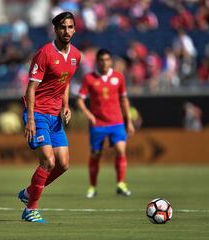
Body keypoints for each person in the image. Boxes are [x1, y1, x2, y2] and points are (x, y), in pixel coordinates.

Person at [17, 12, 81, 223]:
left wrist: (65, 105)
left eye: (70, 27)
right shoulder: (44, 53)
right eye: (63, 27)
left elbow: (65, 81)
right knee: (48, 162)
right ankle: (30, 210)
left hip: (55, 115)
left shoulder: (76, 55)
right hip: (38, 113)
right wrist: (31, 119)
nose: (67, 31)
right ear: (55, 29)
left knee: (63, 164)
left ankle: (29, 193)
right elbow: (31, 89)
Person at [77, 49, 135, 199]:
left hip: (117, 122)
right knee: (96, 154)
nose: (105, 62)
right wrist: (88, 114)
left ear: (111, 61)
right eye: (102, 60)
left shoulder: (118, 77)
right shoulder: (89, 78)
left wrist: (129, 121)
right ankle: (92, 186)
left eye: (107, 59)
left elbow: (124, 100)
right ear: (97, 61)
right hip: (98, 124)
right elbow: (79, 100)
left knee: (121, 150)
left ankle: (121, 184)